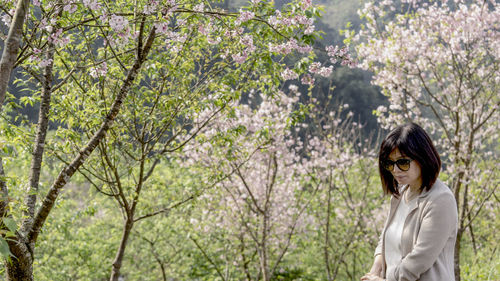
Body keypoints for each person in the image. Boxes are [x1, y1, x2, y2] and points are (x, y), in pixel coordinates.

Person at [361, 123, 458, 281]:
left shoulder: (440, 200)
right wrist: (377, 266)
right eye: (389, 163)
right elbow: (386, 237)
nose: (395, 170)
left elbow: (419, 260)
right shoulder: (400, 195)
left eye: (403, 162)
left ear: (422, 158)